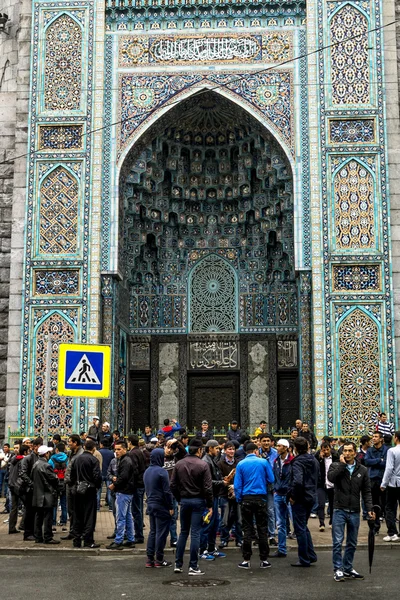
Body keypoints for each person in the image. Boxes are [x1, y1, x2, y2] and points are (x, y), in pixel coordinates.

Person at [327, 441, 374, 582]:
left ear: (355, 452)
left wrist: (370, 508)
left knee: (352, 542)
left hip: (354, 510)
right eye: (345, 451)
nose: (347, 454)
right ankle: (338, 569)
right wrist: (342, 465)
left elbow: (366, 491)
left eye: (349, 451)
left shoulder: (362, 470)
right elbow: (331, 479)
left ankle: (348, 567)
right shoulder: (336, 466)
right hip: (339, 508)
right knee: (337, 541)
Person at [170, 438, 213, 576]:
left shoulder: (179, 464)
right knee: (195, 533)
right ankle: (193, 565)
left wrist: (179, 498)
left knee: (183, 532)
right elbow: (207, 487)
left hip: (185, 500)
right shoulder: (203, 465)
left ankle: (178, 564)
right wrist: (210, 504)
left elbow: (172, 485)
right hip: (198, 500)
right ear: (199, 450)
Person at [234, 442, 274, 569]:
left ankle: (246, 559)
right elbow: (272, 479)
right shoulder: (263, 462)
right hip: (261, 497)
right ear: (256, 451)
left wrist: (239, 498)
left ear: (246, 451)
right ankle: (264, 559)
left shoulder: (240, 464)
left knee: (247, 529)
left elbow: (237, 485)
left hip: (246, 498)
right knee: (262, 528)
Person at [288, 436, 318, 567]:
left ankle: (304, 558)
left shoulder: (298, 462)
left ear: (295, 449)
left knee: (300, 528)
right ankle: (310, 554)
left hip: (300, 498)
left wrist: (293, 496)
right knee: (304, 527)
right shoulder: (314, 460)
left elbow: (298, 481)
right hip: (311, 495)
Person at [144, 448, 174, 568]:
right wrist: (170, 506)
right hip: (161, 504)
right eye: (163, 457)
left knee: (153, 531)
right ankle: (159, 559)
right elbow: (167, 491)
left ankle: (149, 558)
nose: (164, 459)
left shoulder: (147, 471)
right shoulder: (162, 472)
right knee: (161, 533)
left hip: (151, 504)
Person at [70, 439, 102, 548]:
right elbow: (97, 476)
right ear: (93, 448)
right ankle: (88, 540)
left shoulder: (76, 459)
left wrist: (74, 485)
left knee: (78, 515)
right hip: (90, 490)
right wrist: (96, 486)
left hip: (78, 489)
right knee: (89, 516)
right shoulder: (93, 460)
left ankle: (77, 539)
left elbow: (72, 476)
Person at [200, 439, 227, 560]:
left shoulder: (212, 460)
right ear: (210, 448)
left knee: (215, 523)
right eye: (216, 448)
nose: (218, 450)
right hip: (209, 498)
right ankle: (202, 550)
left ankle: (211, 548)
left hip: (215, 496)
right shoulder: (206, 462)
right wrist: (222, 482)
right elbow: (207, 483)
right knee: (207, 524)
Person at [106, 440, 135, 550]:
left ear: (125, 449)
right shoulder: (124, 460)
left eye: (119, 449)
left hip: (123, 491)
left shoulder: (125, 461)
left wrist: (114, 485)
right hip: (127, 491)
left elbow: (123, 477)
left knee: (121, 517)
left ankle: (118, 540)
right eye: (115, 449)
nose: (116, 451)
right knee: (127, 516)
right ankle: (130, 539)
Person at [30, 445, 60, 544]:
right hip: (47, 494)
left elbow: (31, 478)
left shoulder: (35, 464)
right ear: (45, 454)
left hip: (38, 495)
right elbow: (54, 479)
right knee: (48, 517)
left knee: (38, 516)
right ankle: (48, 537)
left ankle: (38, 537)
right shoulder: (46, 466)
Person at [217, 441, 242, 549]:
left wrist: (235, 487)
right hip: (224, 493)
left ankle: (239, 539)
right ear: (225, 450)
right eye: (229, 449)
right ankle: (224, 539)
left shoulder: (239, 463)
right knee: (224, 519)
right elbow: (218, 478)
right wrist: (225, 481)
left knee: (239, 519)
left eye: (233, 449)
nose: (231, 451)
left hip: (237, 493)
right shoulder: (220, 463)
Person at [272, 438, 293, 558]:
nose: (277, 448)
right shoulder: (276, 461)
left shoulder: (292, 461)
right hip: (278, 494)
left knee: (295, 521)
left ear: (285, 448)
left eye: (279, 446)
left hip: (288, 495)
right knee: (280, 524)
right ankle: (281, 549)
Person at [365, 431, 388, 533]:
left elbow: (386, 464)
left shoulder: (387, 450)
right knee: (374, 504)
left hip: (383, 480)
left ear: (381, 439)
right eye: (373, 437)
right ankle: (375, 527)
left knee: (385, 504)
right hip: (373, 480)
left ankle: (390, 529)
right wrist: (379, 460)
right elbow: (367, 461)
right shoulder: (370, 450)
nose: (373, 438)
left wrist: (375, 462)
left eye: (376, 437)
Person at [19, 437, 42, 541]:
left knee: (35, 512)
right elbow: (22, 473)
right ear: (35, 447)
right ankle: (28, 533)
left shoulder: (38, 458)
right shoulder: (28, 458)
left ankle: (34, 532)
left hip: (36, 489)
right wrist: (31, 484)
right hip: (28, 489)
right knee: (29, 512)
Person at [61, 434, 83, 541]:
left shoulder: (80, 455)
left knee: (76, 510)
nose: (68, 444)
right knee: (71, 509)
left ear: (75, 443)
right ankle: (73, 531)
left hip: (75, 485)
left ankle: (78, 531)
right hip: (69, 485)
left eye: (70, 442)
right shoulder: (71, 454)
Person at [258, 432, 278, 545]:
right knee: (259, 512)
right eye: (264, 441)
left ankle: (271, 535)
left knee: (270, 511)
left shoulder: (275, 453)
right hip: (258, 487)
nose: (266, 443)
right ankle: (260, 534)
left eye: (267, 441)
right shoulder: (256, 454)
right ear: (260, 442)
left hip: (270, 487)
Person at [380, 430, 400, 542]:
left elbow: (389, 468)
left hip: (394, 483)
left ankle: (392, 533)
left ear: (396, 438)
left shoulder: (392, 451)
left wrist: (384, 483)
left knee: (390, 508)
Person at [315, 441, 338, 531]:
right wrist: (320, 459)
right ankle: (321, 523)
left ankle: (332, 521)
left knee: (333, 504)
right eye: (324, 450)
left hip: (332, 484)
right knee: (321, 504)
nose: (326, 452)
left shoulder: (335, 456)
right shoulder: (318, 458)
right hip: (322, 484)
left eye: (327, 449)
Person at [127, 434, 146, 544]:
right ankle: (138, 533)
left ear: (130, 442)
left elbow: (134, 469)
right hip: (140, 483)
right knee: (138, 509)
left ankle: (139, 535)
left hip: (136, 485)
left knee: (136, 510)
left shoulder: (133, 453)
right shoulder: (140, 452)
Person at [7, 443, 29, 534]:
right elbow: (22, 474)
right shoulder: (22, 460)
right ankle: (23, 524)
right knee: (28, 505)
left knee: (14, 507)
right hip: (18, 486)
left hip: (12, 485)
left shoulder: (13, 459)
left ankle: (11, 527)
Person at [48, 442, 68, 528]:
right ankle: (64, 520)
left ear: (56, 450)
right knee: (64, 503)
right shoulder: (67, 458)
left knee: (54, 503)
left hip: (54, 482)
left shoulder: (52, 459)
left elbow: (48, 469)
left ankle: (53, 521)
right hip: (64, 482)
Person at [98, 439, 114, 510]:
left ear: (101, 444)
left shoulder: (98, 452)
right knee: (109, 490)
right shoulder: (111, 453)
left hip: (100, 473)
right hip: (108, 474)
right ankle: (111, 506)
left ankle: (97, 506)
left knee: (98, 491)